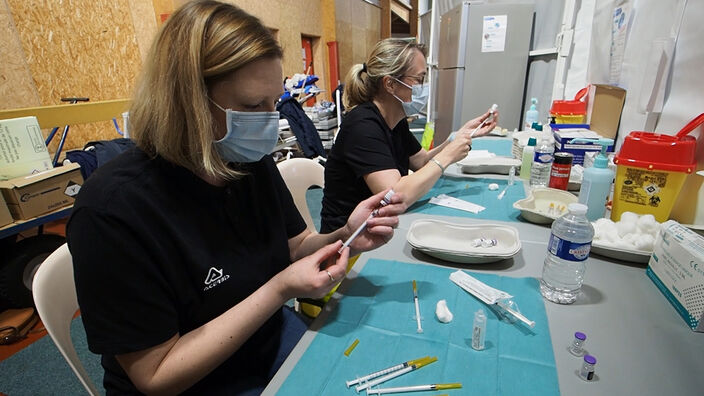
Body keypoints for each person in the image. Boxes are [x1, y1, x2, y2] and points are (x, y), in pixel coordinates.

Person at [65, 2, 404, 395]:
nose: (270, 120)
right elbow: (156, 376)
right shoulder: (113, 210)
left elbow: (297, 247)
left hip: (266, 342)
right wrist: (281, 289)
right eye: (251, 106)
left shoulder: (243, 160)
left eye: (273, 103)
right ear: (186, 101)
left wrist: (345, 233)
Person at [321, 39, 498, 233]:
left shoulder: (395, 120)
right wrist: (448, 156)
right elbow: (395, 196)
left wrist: (455, 139)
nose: (424, 87)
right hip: (349, 239)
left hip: (380, 226)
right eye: (419, 79)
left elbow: (421, 161)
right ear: (390, 84)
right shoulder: (362, 126)